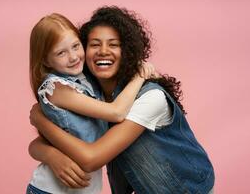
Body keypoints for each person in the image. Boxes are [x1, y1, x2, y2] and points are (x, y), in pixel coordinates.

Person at [29, 6, 215, 194]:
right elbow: (38, 144)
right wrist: (51, 155)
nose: (103, 51)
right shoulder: (89, 91)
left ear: (127, 50)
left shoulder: (151, 98)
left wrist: (39, 119)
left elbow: (91, 157)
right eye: (94, 44)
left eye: (113, 44)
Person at [27, 13, 156, 194]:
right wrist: (140, 76)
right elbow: (116, 112)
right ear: (46, 61)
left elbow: (39, 144)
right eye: (61, 53)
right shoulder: (56, 87)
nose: (73, 57)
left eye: (75, 46)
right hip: (50, 190)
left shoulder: (86, 79)